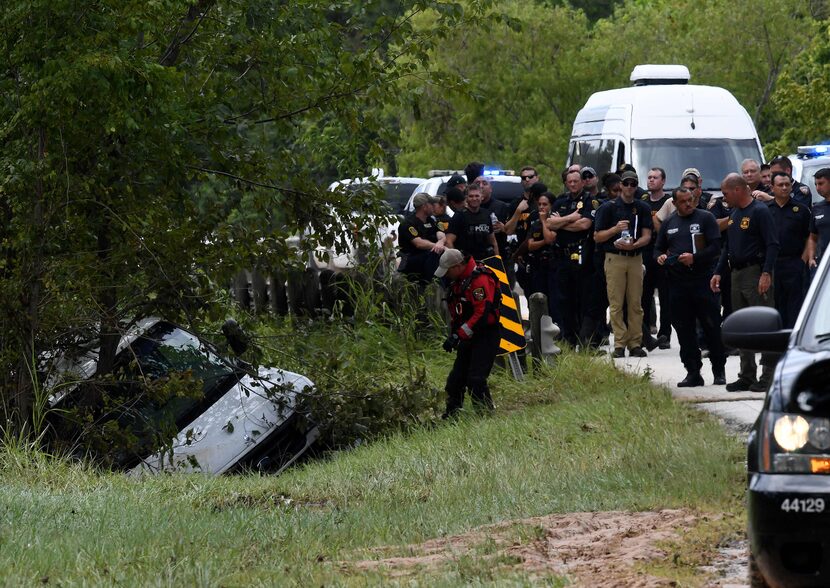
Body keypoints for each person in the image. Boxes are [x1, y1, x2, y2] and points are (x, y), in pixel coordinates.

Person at [711, 174, 780, 392]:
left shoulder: (760, 211)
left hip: (755, 272)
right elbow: (728, 248)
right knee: (742, 326)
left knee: (764, 326)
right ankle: (747, 374)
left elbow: (773, 244)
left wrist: (766, 273)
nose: (724, 198)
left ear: (738, 189)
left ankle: (768, 375)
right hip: (736, 274)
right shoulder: (733, 214)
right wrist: (718, 272)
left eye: (725, 193)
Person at [654, 187, 725, 386]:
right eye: (683, 201)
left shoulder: (705, 218)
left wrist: (694, 258)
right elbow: (658, 248)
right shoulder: (669, 222)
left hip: (702, 280)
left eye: (690, 200)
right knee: (684, 330)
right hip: (678, 284)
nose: (688, 204)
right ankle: (693, 371)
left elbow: (715, 248)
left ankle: (719, 369)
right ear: (674, 204)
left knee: (711, 326)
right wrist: (660, 257)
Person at [593, 170, 653, 357]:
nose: (629, 187)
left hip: (635, 257)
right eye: (626, 183)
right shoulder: (608, 207)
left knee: (635, 303)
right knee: (616, 302)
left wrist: (635, 244)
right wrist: (615, 229)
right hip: (614, 257)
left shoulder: (642, 207)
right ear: (620, 185)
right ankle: (619, 343)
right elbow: (597, 236)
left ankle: (635, 343)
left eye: (633, 184)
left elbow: (647, 236)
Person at [435, 248, 501, 418]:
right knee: (455, 380)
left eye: (448, 271)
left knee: (476, 380)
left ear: (457, 266)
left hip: (486, 334)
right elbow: (459, 312)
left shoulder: (479, 280)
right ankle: (452, 416)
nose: (446, 276)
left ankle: (486, 415)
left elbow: (481, 313)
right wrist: (454, 335)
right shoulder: (459, 281)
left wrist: (459, 335)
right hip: (469, 335)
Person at [547, 169, 594, 345]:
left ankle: (584, 340)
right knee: (564, 299)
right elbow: (550, 224)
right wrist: (570, 218)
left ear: (582, 182)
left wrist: (562, 223)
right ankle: (569, 338)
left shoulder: (589, 201)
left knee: (582, 298)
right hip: (562, 256)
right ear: (566, 183)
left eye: (576, 181)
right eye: (570, 182)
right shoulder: (560, 201)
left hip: (581, 256)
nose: (573, 184)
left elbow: (584, 224)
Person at [767, 172, 811, 329]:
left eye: (787, 184)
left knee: (795, 308)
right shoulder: (765, 210)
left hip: (794, 264)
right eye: (780, 185)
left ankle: (793, 343)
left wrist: (802, 262)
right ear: (772, 187)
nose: (784, 188)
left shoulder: (801, 210)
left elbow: (810, 239)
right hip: (772, 266)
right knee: (775, 307)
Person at [641, 167, 672, 350]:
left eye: (655, 177)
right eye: (649, 177)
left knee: (666, 295)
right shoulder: (642, 202)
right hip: (645, 252)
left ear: (663, 181)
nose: (651, 180)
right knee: (644, 296)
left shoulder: (668, 202)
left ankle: (664, 334)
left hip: (663, 252)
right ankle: (644, 335)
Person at [397, 193, 445, 283]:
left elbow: (441, 233)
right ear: (424, 206)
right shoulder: (408, 223)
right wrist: (436, 245)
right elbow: (419, 243)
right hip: (411, 261)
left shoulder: (432, 220)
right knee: (433, 254)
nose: (434, 206)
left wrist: (441, 242)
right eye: (432, 204)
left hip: (429, 260)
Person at [444, 183, 498, 261]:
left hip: (485, 261)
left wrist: (497, 262)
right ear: (466, 198)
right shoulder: (459, 216)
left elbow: (493, 242)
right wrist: (458, 262)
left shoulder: (486, 214)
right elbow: (449, 241)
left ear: (482, 197)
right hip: (466, 262)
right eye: (471, 196)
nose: (474, 198)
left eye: (477, 196)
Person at [804, 167, 830, 270]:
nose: (818, 188)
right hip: (823, 264)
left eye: (821, 183)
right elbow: (812, 237)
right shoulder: (817, 208)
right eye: (816, 184)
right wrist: (811, 258)